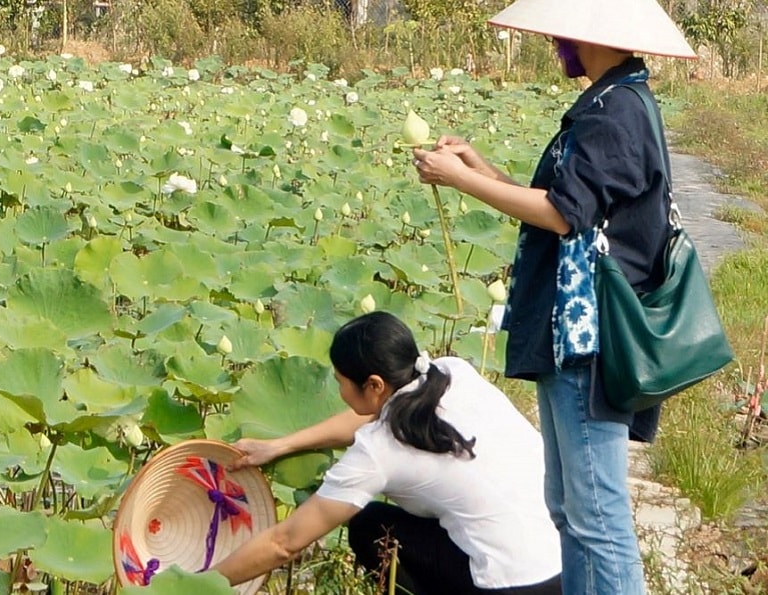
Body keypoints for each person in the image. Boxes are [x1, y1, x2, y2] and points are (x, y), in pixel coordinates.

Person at [409, 1, 696, 594]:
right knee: (569, 507)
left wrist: (460, 179)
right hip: (572, 330)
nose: (554, 45)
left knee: (598, 516)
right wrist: (478, 166)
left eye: (558, 37)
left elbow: (563, 216)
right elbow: (567, 205)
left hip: (588, 338)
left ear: (583, 38)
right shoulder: (610, 100)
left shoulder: (614, 113)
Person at [212, 311, 562, 594]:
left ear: (375, 384)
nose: (339, 390)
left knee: (369, 526)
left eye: (340, 381)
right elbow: (377, 414)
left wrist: (196, 584)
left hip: (508, 585)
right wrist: (281, 445)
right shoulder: (454, 372)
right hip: (570, 564)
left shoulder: (378, 452)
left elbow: (284, 543)